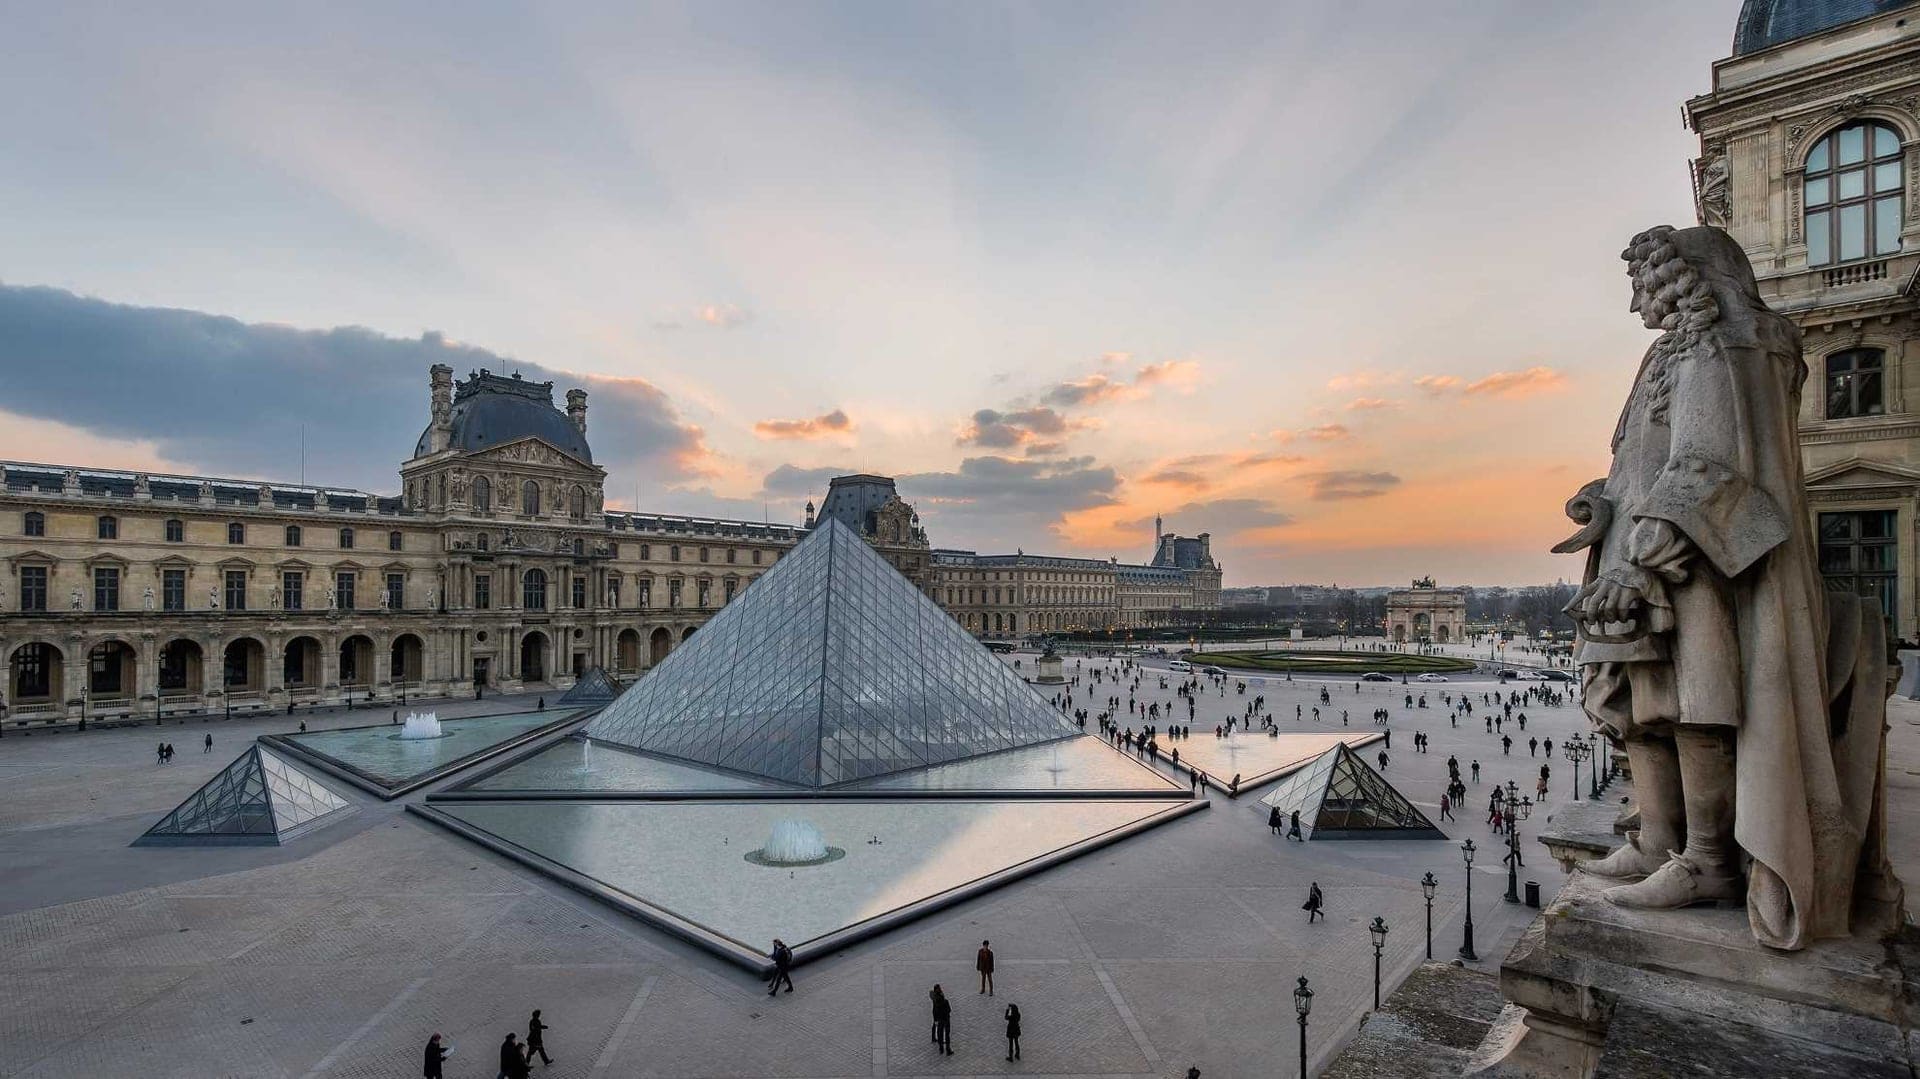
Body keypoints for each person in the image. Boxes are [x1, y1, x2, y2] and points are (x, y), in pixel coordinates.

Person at [930, 984, 953, 1055]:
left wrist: (936, 1020)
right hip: (945, 1019)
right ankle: (948, 1049)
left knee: (940, 1033)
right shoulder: (945, 1002)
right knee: (947, 1034)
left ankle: (941, 1048)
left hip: (938, 1019)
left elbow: (931, 992)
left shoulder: (935, 1000)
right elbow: (949, 1010)